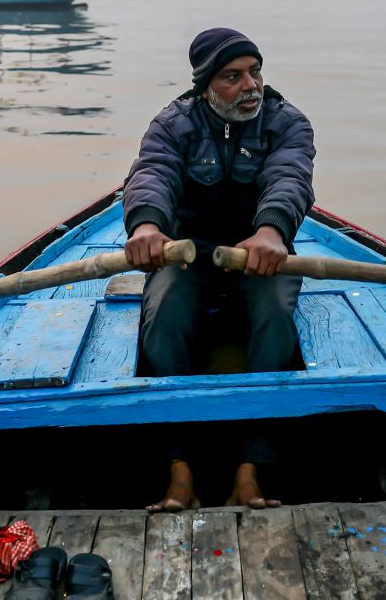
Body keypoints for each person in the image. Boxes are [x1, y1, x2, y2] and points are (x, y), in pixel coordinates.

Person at [123, 27, 315, 513]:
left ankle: (250, 470)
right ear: (206, 84)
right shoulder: (173, 124)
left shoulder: (287, 122)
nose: (249, 85)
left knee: (274, 317)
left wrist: (271, 230)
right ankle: (179, 471)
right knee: (163, 315)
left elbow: (289, 176)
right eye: (233, 76)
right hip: (186, 254)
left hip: (261, 254)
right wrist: (147, 225)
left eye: (254, 72)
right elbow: (153, 173)